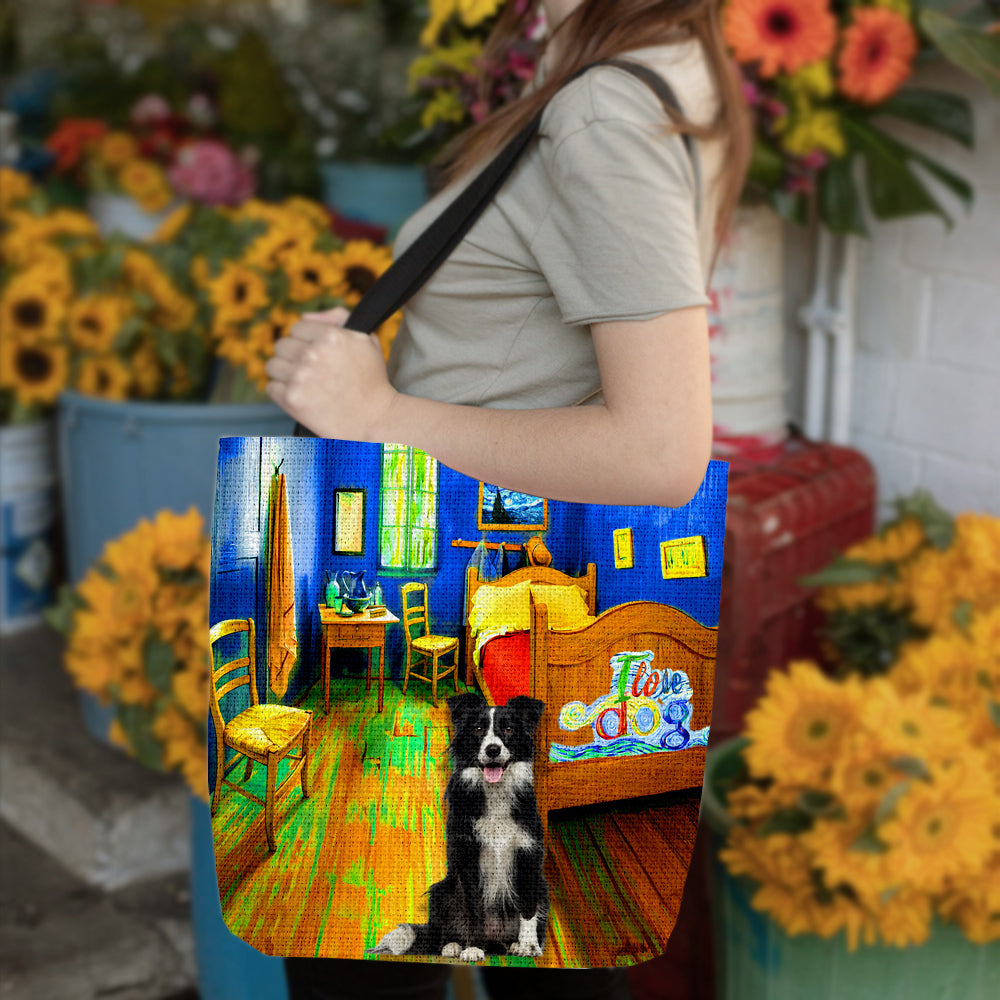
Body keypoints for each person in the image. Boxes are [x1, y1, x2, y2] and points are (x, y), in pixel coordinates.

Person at [268, 0, 750, 996]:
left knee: (372, 947)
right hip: (521, 613)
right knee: (541, 953)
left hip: (456, 615)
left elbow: (660, 448)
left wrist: (379, 412)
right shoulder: (652, 70)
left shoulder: (605, 110)